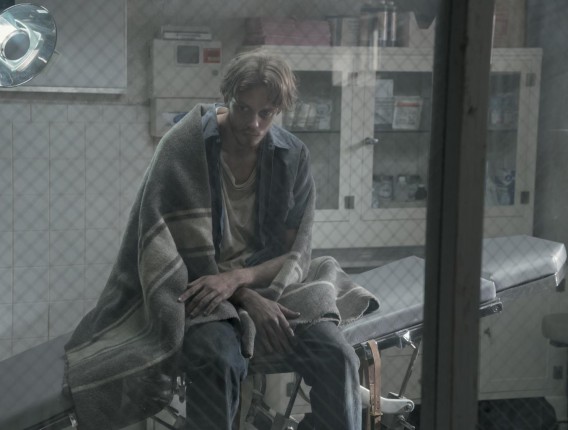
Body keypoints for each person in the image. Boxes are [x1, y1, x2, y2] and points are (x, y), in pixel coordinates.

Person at [175, 50, 362, 429]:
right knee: (218, 362)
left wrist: (240, 281)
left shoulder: (292, 156)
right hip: (200, 289)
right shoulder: (188, 148)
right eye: (243, 109)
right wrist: (243, 296)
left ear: (280, 109)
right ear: (227, 98)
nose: (254, 124)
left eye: (267, 113)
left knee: (337, 357)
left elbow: (295, 255)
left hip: (273, 286)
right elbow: (168, 250)